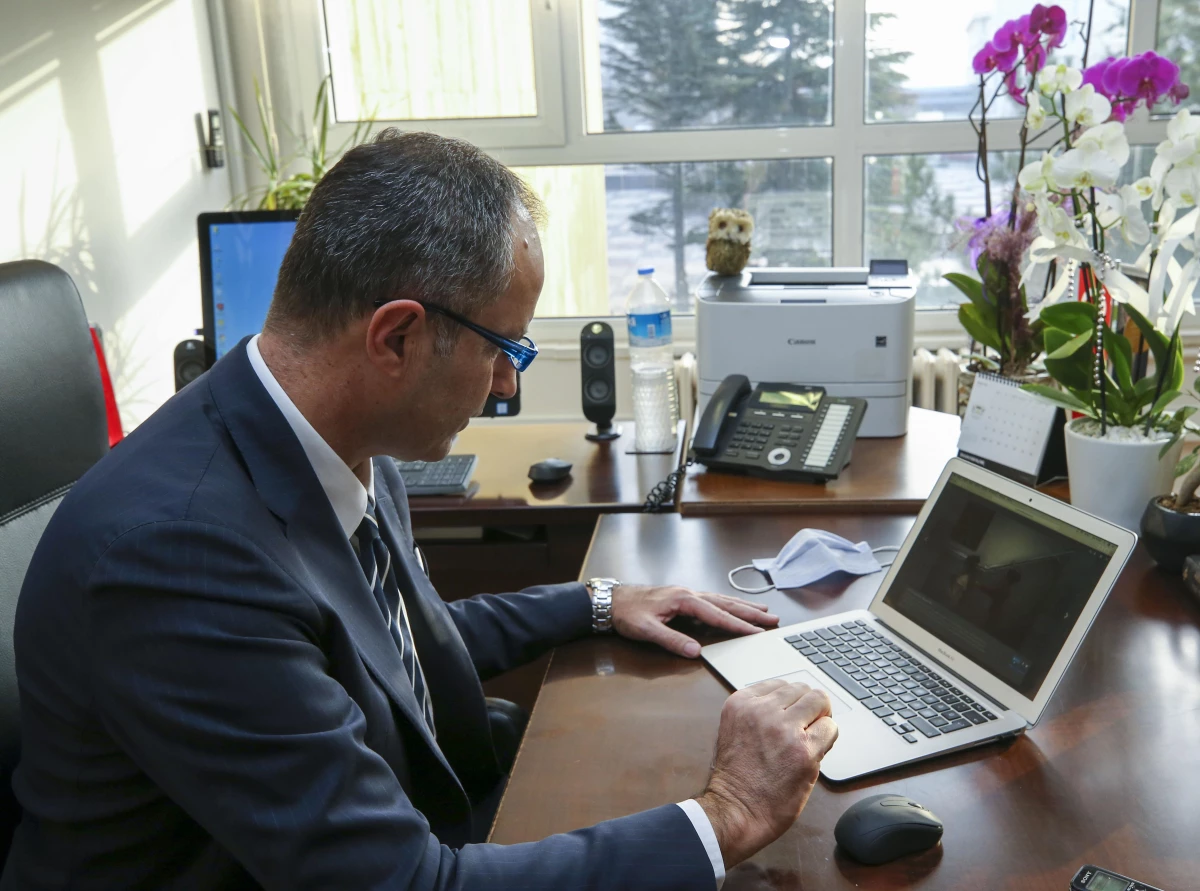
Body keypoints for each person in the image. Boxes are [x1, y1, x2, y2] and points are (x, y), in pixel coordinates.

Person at [4, 130, 839, 889]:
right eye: (504, 348)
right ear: (397, 337)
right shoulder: (178, 557)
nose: (510, 382)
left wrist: (597, 601)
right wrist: (727, 816)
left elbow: (389, 651)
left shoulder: (341, 442)